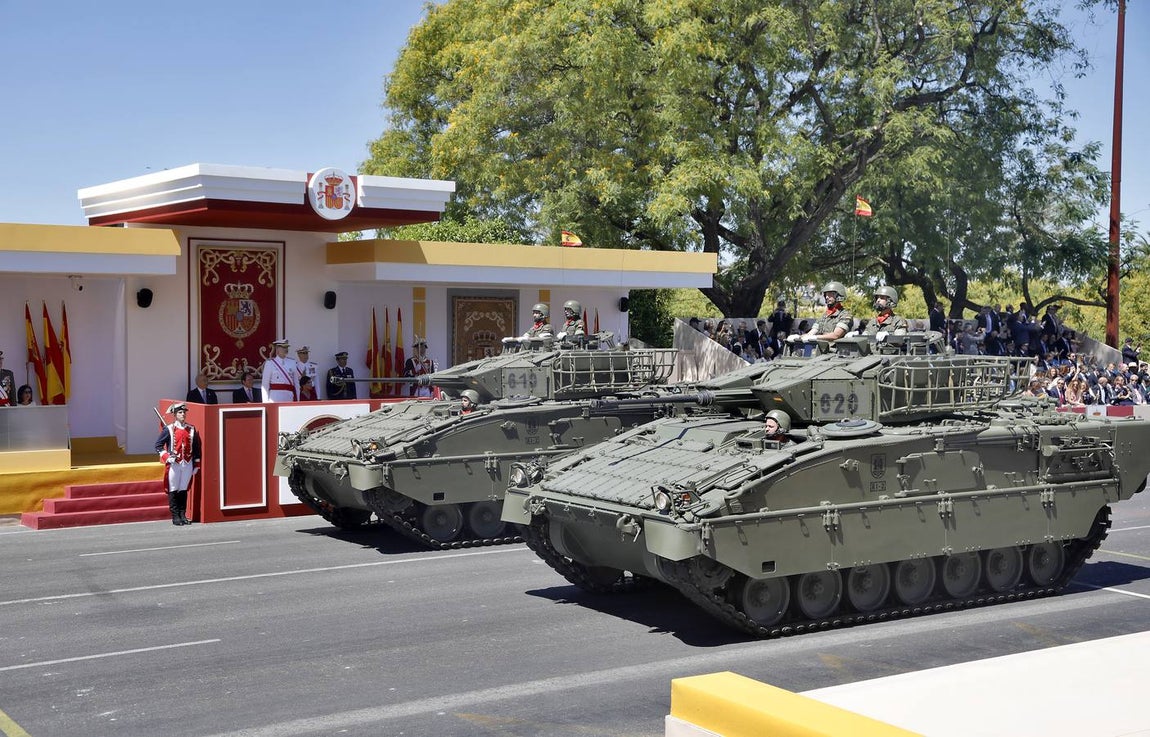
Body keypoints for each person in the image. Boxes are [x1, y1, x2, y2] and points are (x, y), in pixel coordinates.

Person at [154, 402, 201, 526]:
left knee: (183, 489)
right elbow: (158, 445)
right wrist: (167, 457)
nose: (183, 414)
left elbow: (196, 448)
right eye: (180, 412)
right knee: (173, 489)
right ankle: (175, 516)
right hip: (175, 464)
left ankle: (182, 514)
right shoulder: (169, 429)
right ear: (175, 415)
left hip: (187, 463)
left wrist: (196, 464)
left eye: (184, 412)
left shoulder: (191, 429)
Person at [788, 281, 854, 345]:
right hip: (820, 349)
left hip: (837, 351)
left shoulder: (845, 315)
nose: (827, 297)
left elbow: (836, 335)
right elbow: (811, 333)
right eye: (826, 294)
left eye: (830, 294)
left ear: (839, 295)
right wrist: (799, 337)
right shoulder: (824, 316)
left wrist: (815, 337)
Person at [261, 338, 298, 403]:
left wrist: (298, 400)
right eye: (283, 347)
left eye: (287, 347)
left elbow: (296, 384)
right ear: (277, 349)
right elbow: (265, 385)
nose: (286, 349)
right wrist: (266, 403)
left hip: (289, 397)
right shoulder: (270, 363)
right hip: (275, 398)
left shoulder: (292, 362)